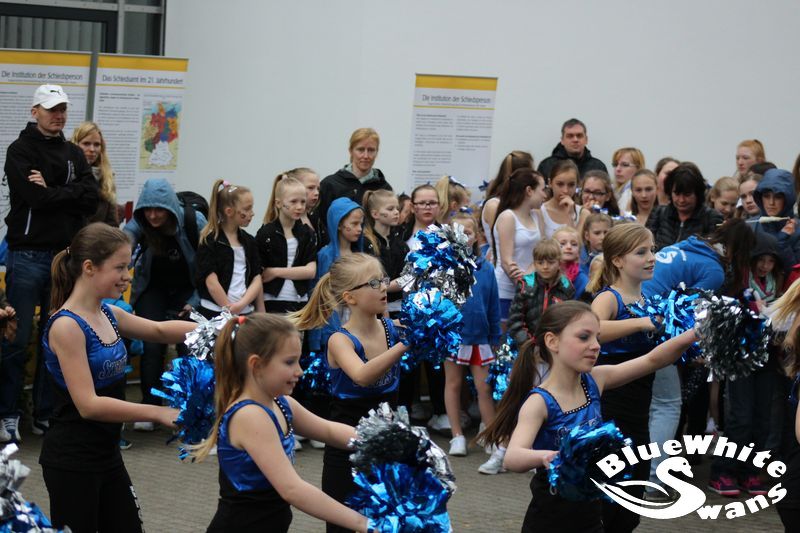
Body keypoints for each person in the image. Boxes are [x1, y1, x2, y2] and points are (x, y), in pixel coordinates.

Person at [478, 301, 698, 533]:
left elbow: (652, 360)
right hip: (549, 521)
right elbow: (513, 457)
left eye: (597, 338)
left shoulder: (594, 381)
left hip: (591, 517)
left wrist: (695, 333)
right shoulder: (540, 402)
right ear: (552, 341)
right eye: (584, 337)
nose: (595, 346)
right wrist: (549, 457)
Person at [40, 223, 197, 532]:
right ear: (89, 267)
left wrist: (218, 331)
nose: (128, 276)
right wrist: (157, 412)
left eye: (128, 266)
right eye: (120, 267)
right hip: (72, 461)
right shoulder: (67, 326)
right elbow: (88, 405)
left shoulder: (109, 313)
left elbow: (159, 330)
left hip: (106, 453)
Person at [193, 314, 374, 533]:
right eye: (289, 362)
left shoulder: (281, 403)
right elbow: (292, 489)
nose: (300, 371)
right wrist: (363, 523)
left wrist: (381, 442)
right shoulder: (249, 415)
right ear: (256, 365)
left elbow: (329, 430)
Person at [0, 84, 99, 442]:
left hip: (63, 258)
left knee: (55, 339)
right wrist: (66, 194)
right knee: (16, 338)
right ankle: (8, 413)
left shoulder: (72, 152)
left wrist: (53, 190)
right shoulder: (20, 150)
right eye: (51, 109)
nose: (58, 115)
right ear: (35, 112)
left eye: (62, 109)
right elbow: (34, 198)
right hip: (27, 256)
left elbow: (91, 198)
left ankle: (45, 413)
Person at [289, 253, 407, 533]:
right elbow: (362, 376)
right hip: (347, 455)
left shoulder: (392, 329)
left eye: (383, 280)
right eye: (373, 283)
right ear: (350, 297)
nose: (383, 287)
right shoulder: (339, 340)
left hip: (387, 450)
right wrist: (405, 345)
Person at [641, 219, 755, 500]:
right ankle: (653, 480)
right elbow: (686, 312)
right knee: (666, 404)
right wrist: (694, 351)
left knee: (641, 402)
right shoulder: (713, 270)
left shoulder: (687, 246)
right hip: (651, 324)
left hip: (631, 310)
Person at [588, 223, 661, 532]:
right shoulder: (609, 298)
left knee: (632, 497)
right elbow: (592, 330)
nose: (651, 258)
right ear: (617, 260)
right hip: (610, 408)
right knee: (609, 493)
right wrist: (642, 323)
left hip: (639, 410)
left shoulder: (649, 298)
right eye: (641, 252)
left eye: (653, 250)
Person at [123, 178, 207, 429]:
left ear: (170, 206)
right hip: (154, 288)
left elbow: (210, 265)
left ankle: (188, 408)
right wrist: (120, 260)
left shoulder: (194, 222)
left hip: (189, 289)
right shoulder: (140, 222)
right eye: (147, 209)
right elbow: (125, 240)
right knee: (151, 346)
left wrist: (195, 301)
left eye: (159, 210)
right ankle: (150, 408)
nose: (152, 215)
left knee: (189, 348)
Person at [443, 213, 500, 458]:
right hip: (453, 338)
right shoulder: (444, 266)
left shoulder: (486, 268)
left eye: (467, 232)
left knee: (483, 388)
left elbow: (493, 304)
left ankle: (491, 434)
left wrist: (495, 336)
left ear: (476, 237)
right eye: (457, 233)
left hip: (480, 339)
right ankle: (457, 436)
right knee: (453, 384)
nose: (462, 237)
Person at [195, 180, 264, 318]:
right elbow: (211, 282)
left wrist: (243, 304)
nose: (252, 213)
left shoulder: (249, 241)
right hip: (215, 311)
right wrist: (228, 308)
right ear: (229, 211)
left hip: (244, 311)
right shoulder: (210, 241)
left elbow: (257, 278)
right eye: (247, 209)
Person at [318, 128, 392, 246]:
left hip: (374, 252)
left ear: (377, 152)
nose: (366, 155)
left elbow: (389, 227)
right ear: (351, 151)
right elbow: (321, 224)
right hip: (339, 252)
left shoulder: (384, 188)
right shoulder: (330, 185)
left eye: (371, 150)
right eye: (360, 149)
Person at [491, 168, 547, 321]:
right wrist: (524, 285)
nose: (545, 195)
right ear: (529, 191)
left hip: (531, 287)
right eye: (542, 190)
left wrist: (531, 281)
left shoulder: (537, 216)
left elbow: (542, 252)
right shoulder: (508, 217)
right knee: (506, 335)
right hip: (506, 291)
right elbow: (507, 261)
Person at [257, 175, 317, 314]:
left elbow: (310, 271)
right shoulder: (266, 233)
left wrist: (275, 272)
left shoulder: (307, 233)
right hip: (272, 300)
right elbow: (259, 275)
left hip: (300, 301)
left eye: (303, 202)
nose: (299, 207)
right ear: (278, 203)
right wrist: (260, 310)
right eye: (293, 201)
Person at [507, 239, 575, 348]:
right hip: (528, 346)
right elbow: (515, 321)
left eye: (551, 262)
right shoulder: (525, 285)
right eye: (540, 262)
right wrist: (530, 345)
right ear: (534, 263)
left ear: (559, 263)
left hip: (556, 346)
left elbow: (569, 322)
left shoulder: (567, 287)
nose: (545, 266)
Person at [646, 162, 723, 251]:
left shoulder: (712, 218)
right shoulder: (658, 213)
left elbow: (714, 253)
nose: (681, 200)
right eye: (677, 194)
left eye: (687, 194)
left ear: (698, 193)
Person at [362, 190, 408, 316]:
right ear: (375, 214)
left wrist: (384, 285)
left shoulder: (400, 244)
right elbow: (368, 281)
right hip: (372, 308)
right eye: (390, 209)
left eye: (397, 208)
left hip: (398, 308)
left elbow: (408, 277)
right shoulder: (366, 243)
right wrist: (389, 285)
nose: (396, 212)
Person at [752, 168, 800, 274]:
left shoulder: (798, 230)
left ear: (788, 199)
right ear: (759, 197)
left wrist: (782, 243)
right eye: (766, 196)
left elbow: (795, 275)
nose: (771, 203)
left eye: (778, 197)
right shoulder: (751, 225)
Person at [70, 121, 119, 226]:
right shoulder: (67, 173)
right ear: (75, 144)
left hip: (98, 235)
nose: (92, 149)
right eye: (86, 144)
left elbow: (112, 222)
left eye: (96, 145)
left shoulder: (107, 177)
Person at [482, 150, 535, 238]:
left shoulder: (524, 203)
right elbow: (501, 240)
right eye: (532, 173)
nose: (534, 178)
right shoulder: (494, 205)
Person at [537, 118, 607, 180]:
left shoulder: (598, 167)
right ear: (562, 140)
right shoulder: (546, 166)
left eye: (579, 136)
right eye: (570, 136)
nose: (575, 140)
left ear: (586, 140)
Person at [540, 160, 589, 239]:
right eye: (560, 184)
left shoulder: (583, 214)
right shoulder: (540, 212)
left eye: (571, 185)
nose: (565, 190)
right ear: (550, 183)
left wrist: (570, 216)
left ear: (577, 185)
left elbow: (575, 243)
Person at [553, 226, 588, 299]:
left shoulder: (582, 279)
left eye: (574, 244)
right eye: (563, 243)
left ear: (578, 252)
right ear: (553, 248)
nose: (569, 247)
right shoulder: (545, 271)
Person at [611, 147, 645, 213]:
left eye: (625, 165)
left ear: (638, 168)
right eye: (615, 164)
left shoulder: (633, 193)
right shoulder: (610, 189)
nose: (618, 169)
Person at [580, 212, 612, 278]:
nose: (602, 237)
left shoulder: (617, 256)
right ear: (587, 235)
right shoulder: (579, 259)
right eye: (597, 233)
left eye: (606, 232)